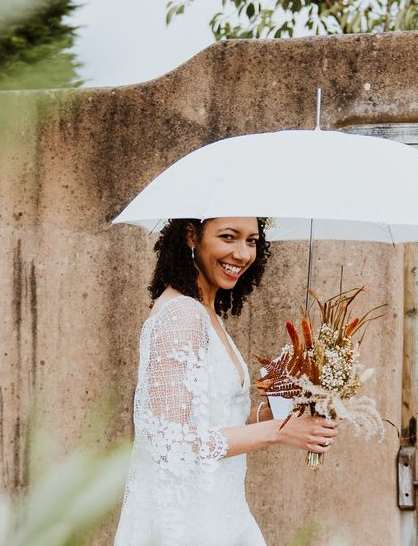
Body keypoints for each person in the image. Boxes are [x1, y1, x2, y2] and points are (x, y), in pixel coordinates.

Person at [114, 216, 339, 546]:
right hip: (186, 525)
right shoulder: (181, 315)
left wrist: (290, 409)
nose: (243, 254)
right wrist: (281, 432)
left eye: (251, 241)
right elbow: (172, 445)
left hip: (223, 513)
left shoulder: (207, 313)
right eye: (229, 237)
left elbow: (220, 422)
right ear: (192, 235)